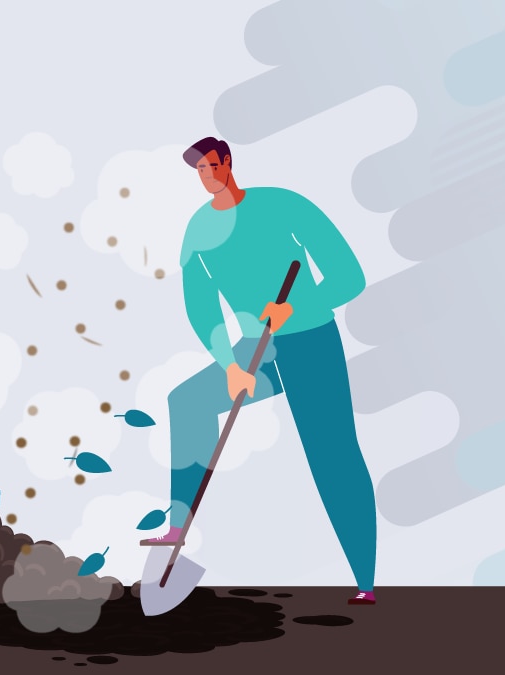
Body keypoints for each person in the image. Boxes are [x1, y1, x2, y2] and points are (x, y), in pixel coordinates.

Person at [143, 137, 378, 606]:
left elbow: (350, 276)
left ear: (228, 163)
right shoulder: (198, 232)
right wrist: (229, 365)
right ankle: (177, 527)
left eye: (211, 167)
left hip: (311, 342)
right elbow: (201, 308)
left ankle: (365, 580)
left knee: (332, 454)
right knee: (185, 401)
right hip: (256, 351)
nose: (206, 177)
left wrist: (298, 306)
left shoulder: (284, 206)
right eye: (199, 172)